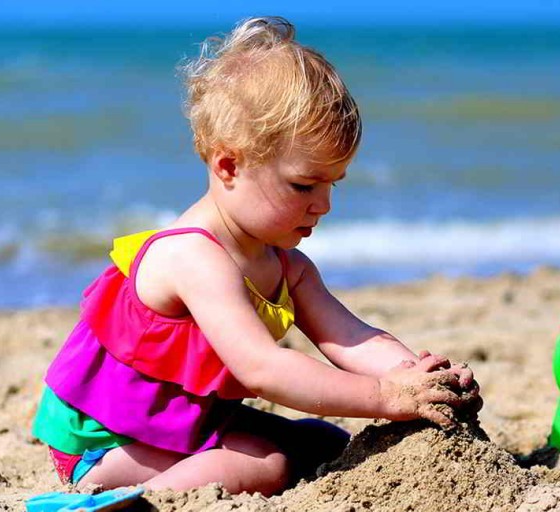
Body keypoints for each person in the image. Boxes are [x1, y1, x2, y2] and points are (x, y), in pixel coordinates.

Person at [31, 16, 480, 495]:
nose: (323, 205)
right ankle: (110, 495)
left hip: (183, 423)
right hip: (109, 439)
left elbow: (353, 339)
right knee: (266, 467)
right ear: (229, 165)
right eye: (304, 184)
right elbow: (263, 369)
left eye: (332, 185)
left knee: (323, 443)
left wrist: (418, 377)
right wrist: (386, 397)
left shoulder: (288, 266)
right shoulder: (193, 256)